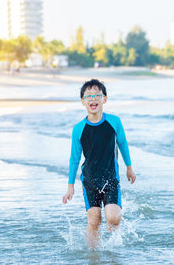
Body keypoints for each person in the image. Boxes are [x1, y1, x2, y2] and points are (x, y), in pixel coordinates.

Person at [62, 79, 136, 248]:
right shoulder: (78, 129)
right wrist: (70, 185)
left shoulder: (114, 122)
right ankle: (93, 256)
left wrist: (129, 168)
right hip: (90, 180)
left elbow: (123, 144)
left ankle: (114, 248)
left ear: (104, 99)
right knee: (94, 219)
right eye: (88, 96)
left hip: (110, 178)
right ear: (83, 101)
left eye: (97, 95)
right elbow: (74, 159)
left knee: (112, 217)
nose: (93, 99)